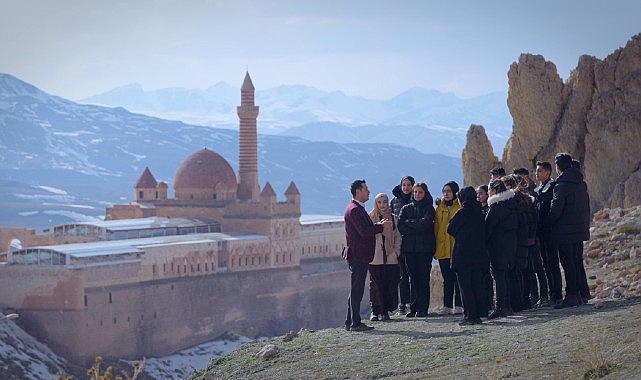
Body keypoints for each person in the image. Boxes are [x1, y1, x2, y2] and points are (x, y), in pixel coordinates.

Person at [342, 179, 392, 331]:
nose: (368, 191)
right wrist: (381, 227)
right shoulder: (355, 210)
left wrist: (378, 225)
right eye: (366, 189)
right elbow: (363, 231)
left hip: (359, 254)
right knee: (357, 289)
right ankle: (355, 323)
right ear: (358, 191)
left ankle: (350, 321)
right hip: (358, 255)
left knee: (356, 288)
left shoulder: (356, 208)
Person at [548, 154, 590, 309]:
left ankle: (572, 294)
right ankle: (579, 293)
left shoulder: (562, 185)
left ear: (558, 167)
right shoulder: (580, 183)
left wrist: (548, 223)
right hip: (579, 230)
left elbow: (556, 211)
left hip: (565, 231)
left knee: (567, 263)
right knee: (576, 261)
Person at [447, 186, 489, 325]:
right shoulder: (480, 211)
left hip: (463, 255)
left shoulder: (463, 212)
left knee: (465, 287)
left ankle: (470, 315)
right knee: (477, 285)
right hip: (478, 255)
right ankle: (480, 313)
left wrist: (461, 234)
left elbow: (450, 228)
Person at [398, 182, 436, 318]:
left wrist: (410, 224)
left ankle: (422, 308)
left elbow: (425, 225)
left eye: (420, 192)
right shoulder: (406, 208)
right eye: (415, 192)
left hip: (424, 250)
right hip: (409, 250)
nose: (417, 195)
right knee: (412, 278)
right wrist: (416, 224)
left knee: (423, 278)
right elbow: (401, 226)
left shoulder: (429, 209)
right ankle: (413, 307)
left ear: (425, 193)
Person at [485, 178, 518, 319]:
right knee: (506, 275)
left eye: (489, 190)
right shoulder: (512, 205)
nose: (488, 193)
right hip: (511, 245)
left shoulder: (495, 208)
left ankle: (500, 306)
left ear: (495, 190)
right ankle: (508, 305)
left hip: (497, 246)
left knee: (498, 276)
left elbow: (487, 229)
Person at [368, 193, 402, 321]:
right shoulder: (370, 217)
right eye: (379, 202)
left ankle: (386, 310)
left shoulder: (393, 218)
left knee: (389, 283)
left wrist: (396, 251)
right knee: (375, 284)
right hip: (375, 256)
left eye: (384, 202)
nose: (382, 205)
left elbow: (398, 235)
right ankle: (375, 310)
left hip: (390, 256)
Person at [534, 161, 562, 307]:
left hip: (550, 233)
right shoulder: (540, 190)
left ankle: (556, 295)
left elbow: (552, 211)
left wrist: (548, 225)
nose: (536, 174)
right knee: (545, 264)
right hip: (542, 234)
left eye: (539, 171)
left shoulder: (552, 188)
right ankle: (551, 294)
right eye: (536, 171)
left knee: (552, 264)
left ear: (548, 172)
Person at [434, 181, 463, 315]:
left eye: (449, 191)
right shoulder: (439, 207)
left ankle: (459, 304)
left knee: (458, 278)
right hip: (442, 248)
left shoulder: (459, 206)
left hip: (456, 247)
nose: (446, 194)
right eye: (444, 191)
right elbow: (436, 228)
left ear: (455, 192)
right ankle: (446, 305)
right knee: (447, 278)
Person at [390, 175, 415, 315]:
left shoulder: (416, 199)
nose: (406, 187)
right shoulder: (394, 201)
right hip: (398, 243)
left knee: (413, 274)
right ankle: (403, 304)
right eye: (404, 185)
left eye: (409, 185)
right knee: (401, 275)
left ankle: (413, 302)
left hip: (413, 242)